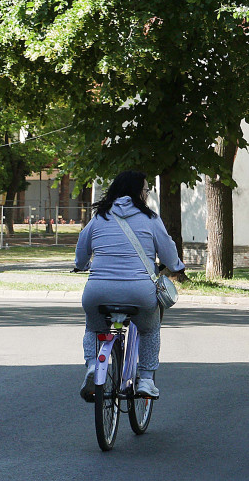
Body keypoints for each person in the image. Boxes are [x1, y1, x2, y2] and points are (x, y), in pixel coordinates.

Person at [75, 170, 187, 401]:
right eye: (146, 190)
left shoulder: (99, 218)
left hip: (97, 291)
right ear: (138, 193)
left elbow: (82, 248)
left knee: (94, 328)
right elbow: (168, 252)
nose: (147, 194)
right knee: (149, 329)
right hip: (139, 292)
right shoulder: (150, 219)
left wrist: (81, 265)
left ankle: (93, 366)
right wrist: (176, 266)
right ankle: (145, 379)